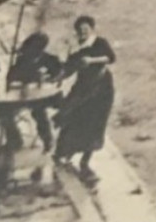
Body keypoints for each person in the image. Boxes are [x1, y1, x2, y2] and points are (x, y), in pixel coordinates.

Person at [54, 16, 115, 181]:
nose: (83, 33)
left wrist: (92, 60)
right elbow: (69, 69)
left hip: (101, 88)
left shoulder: (100, 43)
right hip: (83, 87)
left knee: (95, 124)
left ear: (92, 29)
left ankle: (85, 162)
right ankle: (65, 151)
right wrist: (57, 76)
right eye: (80, 31)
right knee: (72, 116)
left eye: (86, 30)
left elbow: (111, 57)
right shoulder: (77, 49)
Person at [6, 31, 62, 152]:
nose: (34, 50)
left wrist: (47, 78)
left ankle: (48, 140)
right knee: (6, 111)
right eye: (32, 47)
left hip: (43, 96)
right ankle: (15, 139)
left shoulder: (50, 59)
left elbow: (58, 75)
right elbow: (12, 76)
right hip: (24, 93)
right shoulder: (23, 58)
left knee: (38, 112)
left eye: (39, 47)